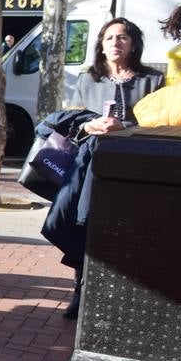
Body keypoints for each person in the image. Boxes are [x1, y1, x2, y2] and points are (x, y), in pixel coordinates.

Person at [55, 17, 164, 319]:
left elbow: (158, 126)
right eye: (109, 38)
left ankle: (124, 296)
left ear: (133, 44)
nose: (115, 43)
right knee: (84, 226)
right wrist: (89, 124)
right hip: (92, 169)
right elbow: (72, 121)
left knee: (127, 232)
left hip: (134, 172)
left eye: (122, 37)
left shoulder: (152, 80)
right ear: (100, 46)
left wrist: (123, 127)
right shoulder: (88, 79)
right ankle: (80, 289)